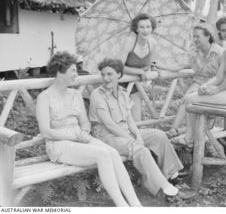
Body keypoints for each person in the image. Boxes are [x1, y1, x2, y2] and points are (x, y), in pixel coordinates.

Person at [36, 51, 142, 207]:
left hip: (81, 138)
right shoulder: (44, 97)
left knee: (112, 153)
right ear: (60, 72)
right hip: (59, 144)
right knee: (103, 154)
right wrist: (75, 137)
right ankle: (123, 206)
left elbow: (85, 122)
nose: (76, 74)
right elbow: (46, 132)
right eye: (73, 70)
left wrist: (84, 132)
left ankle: (136, 205)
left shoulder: (75, 94)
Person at [89, 58, 189, 198]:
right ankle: (163, 186)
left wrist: (139, 136)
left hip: (124, 132)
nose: (105, 78)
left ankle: (173, 175)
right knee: (139, 149)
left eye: (109, 74)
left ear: (118, 74)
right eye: (103, 75)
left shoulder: (123, 93)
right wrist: (133, 139)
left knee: (159, 135)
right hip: (107, 136)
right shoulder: (97, 95)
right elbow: (109, 125)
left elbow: (129, 119)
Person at [179, 16, 226, 147]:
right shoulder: (225, 52)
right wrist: (205, 86)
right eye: (223, 30)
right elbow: (218, 78)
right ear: (219, 32)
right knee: (191, 97)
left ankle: (191, 137)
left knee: (191, 99)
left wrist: (218, 89)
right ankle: (195, 135)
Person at [167, 24, 223, 141]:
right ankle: (174, 129)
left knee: (189, 98)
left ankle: (188, 135)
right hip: (197, 82)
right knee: (187, 98)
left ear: (208, 37)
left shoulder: (218, 52)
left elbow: (223, 74)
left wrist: (213, 86)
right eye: (194, 36)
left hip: (213, 84)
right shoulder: (194, 52)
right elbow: (181, 65)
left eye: (198, 36)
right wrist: (160, 67)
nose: (195, 39)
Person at [119, 13, 179, 121]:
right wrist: (139, 72)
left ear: (152, 29)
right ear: (136, 29)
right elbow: (119, 66)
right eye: (141, 27)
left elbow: (152, 64)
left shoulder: (152, 44)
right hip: (120, 83)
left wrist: (165, 70)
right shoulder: (129, 42)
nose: (145, 30)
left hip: (137, 86)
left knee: (136, 120)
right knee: (121, 119)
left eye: (148, 27)